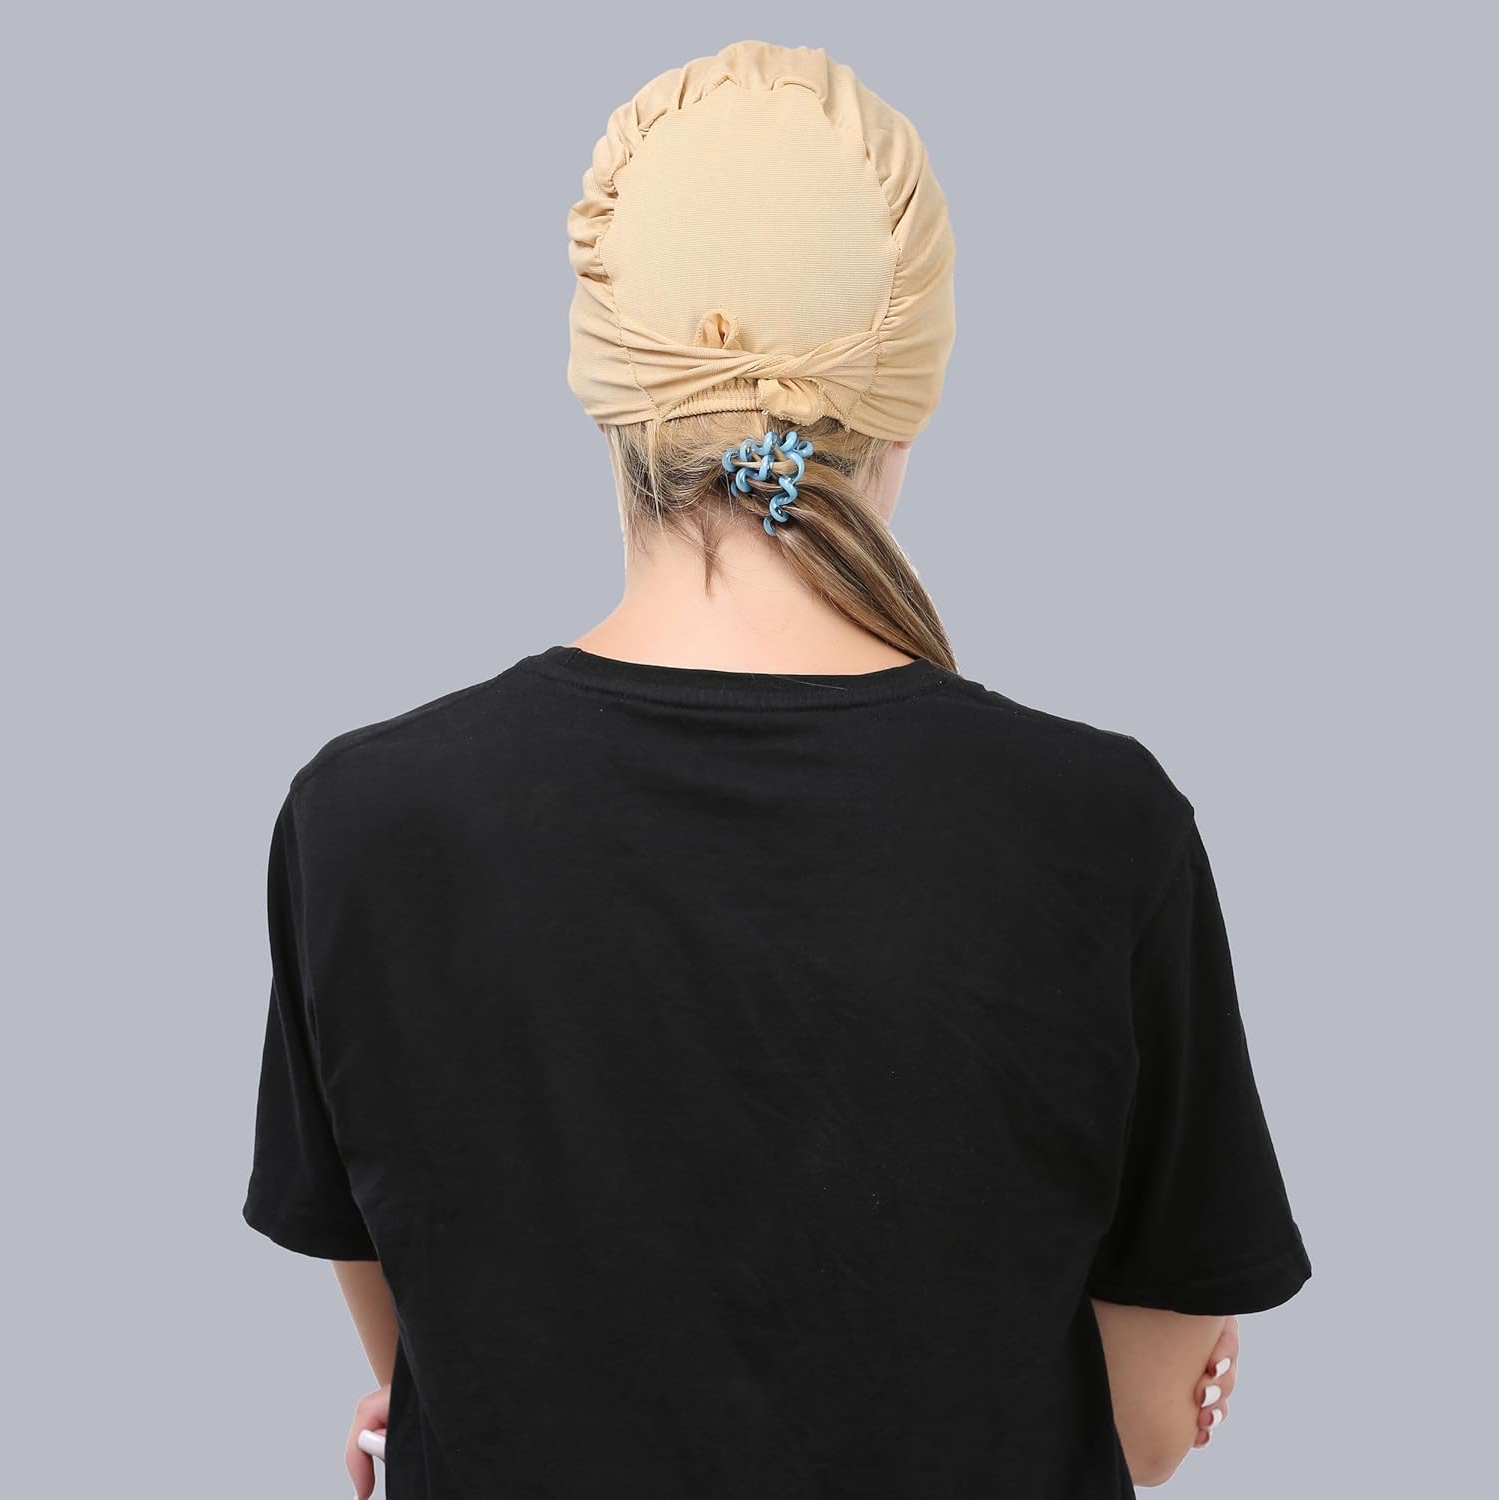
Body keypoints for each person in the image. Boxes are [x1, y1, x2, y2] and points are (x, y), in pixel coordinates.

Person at [241, 39, 1312, 1498]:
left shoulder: (364, 824)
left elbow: (435, 1357)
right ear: (908, 390)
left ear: (610, 390)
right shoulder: (1101, 829)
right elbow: (1138, 1429)